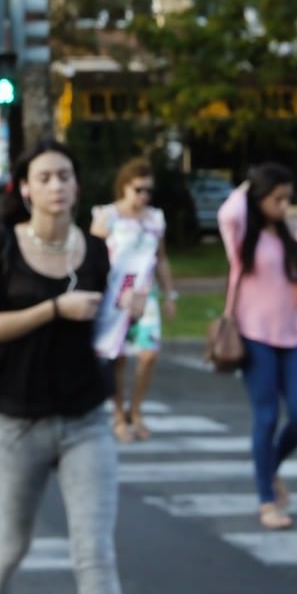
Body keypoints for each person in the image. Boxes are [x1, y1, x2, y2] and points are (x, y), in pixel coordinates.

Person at [0, 140, 130, 594]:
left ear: (77, 186)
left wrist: (129, 311)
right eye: (45, 178)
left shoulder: (99, 252)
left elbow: (107, 335)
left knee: (95, 553)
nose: (56, 186)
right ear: (25, 189)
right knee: (14, 541)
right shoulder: (0, 247)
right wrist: (53, 309)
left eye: (65, 175)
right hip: (19, 422)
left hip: (86, 420)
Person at [217, 163, 297, 531]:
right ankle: (267, 499)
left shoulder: (295, 229)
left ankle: (269, 467)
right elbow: (228, 211)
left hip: (293, 333)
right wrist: (250, 183)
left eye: (288, 198)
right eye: (277, 198)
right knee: (266, 416)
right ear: (258, 200)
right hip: (254, 334)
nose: (284, 206)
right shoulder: (242, 233)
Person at [91, 158, 175, 443]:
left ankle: (135, 409)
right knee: (117, 356)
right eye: (138, 189)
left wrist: (169, 294)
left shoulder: (154, 219)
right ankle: (117, 413)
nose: (144, 196)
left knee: (149, 352)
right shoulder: (107, 216)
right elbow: (93, 256)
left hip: (144, 293)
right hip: (116, 294)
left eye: (148, 191)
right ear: (124, 187)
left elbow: (161, 259)